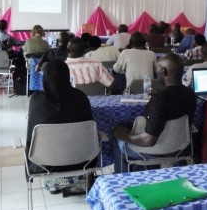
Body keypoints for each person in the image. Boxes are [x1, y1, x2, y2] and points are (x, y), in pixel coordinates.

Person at [112, 53, 197, 173]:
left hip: (152, 151)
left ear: (163, 70)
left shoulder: (159, 99)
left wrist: (123, 135)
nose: (156, 72)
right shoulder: (190, 94)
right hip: (179, 147)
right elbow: (173, 101)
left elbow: (148, 141)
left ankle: (121, 181)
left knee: (117, 135)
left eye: (157, 68)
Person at [25, 60, 96, 194]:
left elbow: (31, 134)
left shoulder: (37, 99)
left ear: (44, 77)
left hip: (46, 163)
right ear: (67, 75)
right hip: (82, 160)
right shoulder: (80, 97)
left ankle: (57, 183)